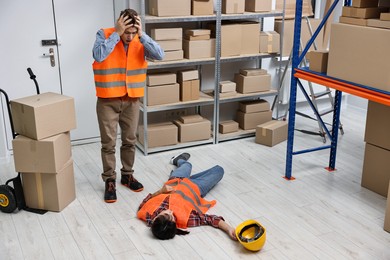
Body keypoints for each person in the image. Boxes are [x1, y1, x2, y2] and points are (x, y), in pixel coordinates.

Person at [92, 9, 164, 203]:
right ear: (119, 25)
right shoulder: (104, 34)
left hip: (132, 99)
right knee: (108, 143)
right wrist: (116, 33)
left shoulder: (140, 38)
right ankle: (109, 181)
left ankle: (127, 175)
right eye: (127, 32)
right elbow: (98, 56)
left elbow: (160, 55)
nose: (130, 37)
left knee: (130, 140)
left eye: (133, 32)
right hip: (108, 100)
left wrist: (142, 35)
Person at [137, 153, 237, 241]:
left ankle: (178, 160)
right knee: (219, 170)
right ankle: (191, 177)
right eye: (173, 218)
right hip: (196, 187)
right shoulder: (187, 219)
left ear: (155, 219)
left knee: (187, 165)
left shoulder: (147, 214)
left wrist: (161, 191)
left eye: (167, 214)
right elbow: (210, 219)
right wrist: (229, 229)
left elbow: (147, 200)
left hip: (176, 180)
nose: (171, 212)